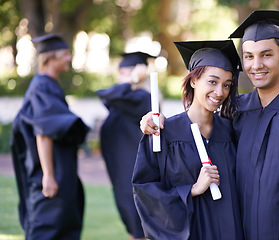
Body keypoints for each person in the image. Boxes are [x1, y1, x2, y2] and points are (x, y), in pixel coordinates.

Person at [140, 10, 279, 240]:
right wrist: (150, 123)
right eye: (248, 56)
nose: (256, 65)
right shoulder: (237, 110)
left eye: (266, 55)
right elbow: (201, 133)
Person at [132, 40, 243, 240]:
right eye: (212, 81)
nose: (220, 92)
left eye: (227, 85)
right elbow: (144, 190)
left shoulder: (232, 131)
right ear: (193, 81)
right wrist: (192, 190)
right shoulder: (163, 134)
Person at [10, 34, 89, 240]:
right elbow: (43, 132)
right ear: (49, 58)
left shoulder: (49, 85)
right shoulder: (42, 87)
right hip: (48, 173)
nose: (69, 58)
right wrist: (49, 175)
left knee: (61, 226)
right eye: (64, 54)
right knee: (47, 228)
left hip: (59, 170)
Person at [95, 52, 155, 240]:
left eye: (125, 72)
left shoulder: (142, 98)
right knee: (131, 221)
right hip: (120, 172)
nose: (120, 78)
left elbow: (108, 93)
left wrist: (134, 79)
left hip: (133, 173)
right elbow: (105, 96)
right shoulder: (123, 100)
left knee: (139, 224)